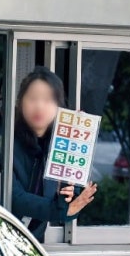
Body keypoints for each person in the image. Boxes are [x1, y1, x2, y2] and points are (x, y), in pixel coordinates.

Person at [12, 66, 98, 242]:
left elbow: (69, 205)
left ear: (59, 106)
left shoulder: (61, 147)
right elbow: (13, 197)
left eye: (48, 100)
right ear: (21, 102)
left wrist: (70, 198)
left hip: (35, 246)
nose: (39, 106)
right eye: (33, 98)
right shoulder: (7, 142)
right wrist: (60, 210)